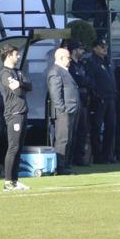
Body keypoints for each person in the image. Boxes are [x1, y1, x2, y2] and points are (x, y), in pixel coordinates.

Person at [0, 44, 33, 191]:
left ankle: (15, 180)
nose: (18, 57)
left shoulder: (18, 71)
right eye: (16, 54)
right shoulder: (5, 73)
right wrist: (21, 85)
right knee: (13, 147)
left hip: (23, 112)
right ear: (9, 55)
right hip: (13, 114)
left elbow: (29, 85)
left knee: (19, 148)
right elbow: (17, 91)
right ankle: (7, 182)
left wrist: (21, 83)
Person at [46, 46, 80, 177]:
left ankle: (66, 164)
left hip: (71, 110)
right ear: (60, 58)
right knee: (62, 140)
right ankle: (60, 167)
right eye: (68, 57)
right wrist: (63, 110)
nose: (70, 60)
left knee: (68, 139)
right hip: (64, 112)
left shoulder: (63, 70)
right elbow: (55, 94)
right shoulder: (55, 71)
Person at [85, 39, 116, 164]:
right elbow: (91, 81)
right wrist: (97, 94)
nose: (105, 49)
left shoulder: (107, 61)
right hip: (99, 100)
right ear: (95, 48)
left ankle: (108, 154)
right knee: (96, 127)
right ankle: (98, 156)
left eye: (105, 46)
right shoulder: (92, 62)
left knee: (111, 127)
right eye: (102, 46)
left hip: (110, 99)